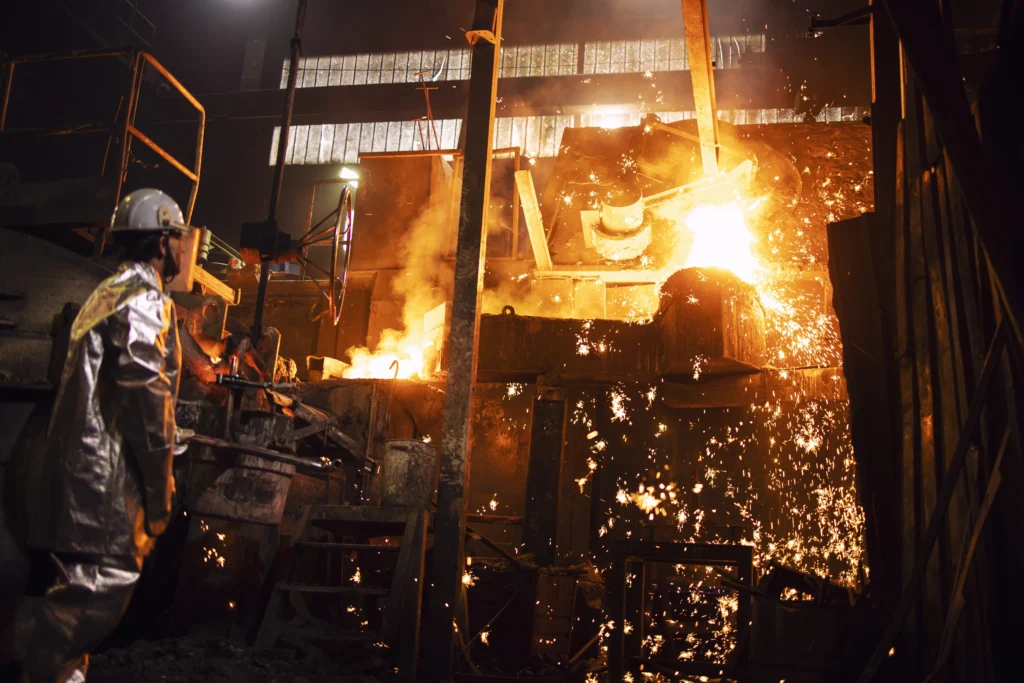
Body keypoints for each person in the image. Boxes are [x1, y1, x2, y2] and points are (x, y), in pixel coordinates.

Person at [22, 189, 190, 683]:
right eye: (178, 239)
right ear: (162, 242)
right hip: (104, 492)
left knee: (76, 611)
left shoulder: (109, 290)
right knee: (86, 608)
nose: (183, 250)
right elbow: (148, 397)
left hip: (79, 482)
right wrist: (161, 491)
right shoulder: (143, 299)